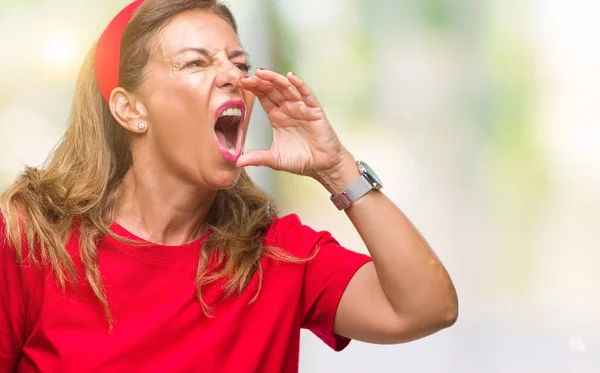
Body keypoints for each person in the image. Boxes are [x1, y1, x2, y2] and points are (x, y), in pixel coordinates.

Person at [0, 0, 458, 372]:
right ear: (130, 109)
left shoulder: (277, 253)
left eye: (239, 63)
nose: (232, 77)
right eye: (195, 62)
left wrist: (336, 167)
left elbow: (426, 308)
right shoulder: (31, 241)